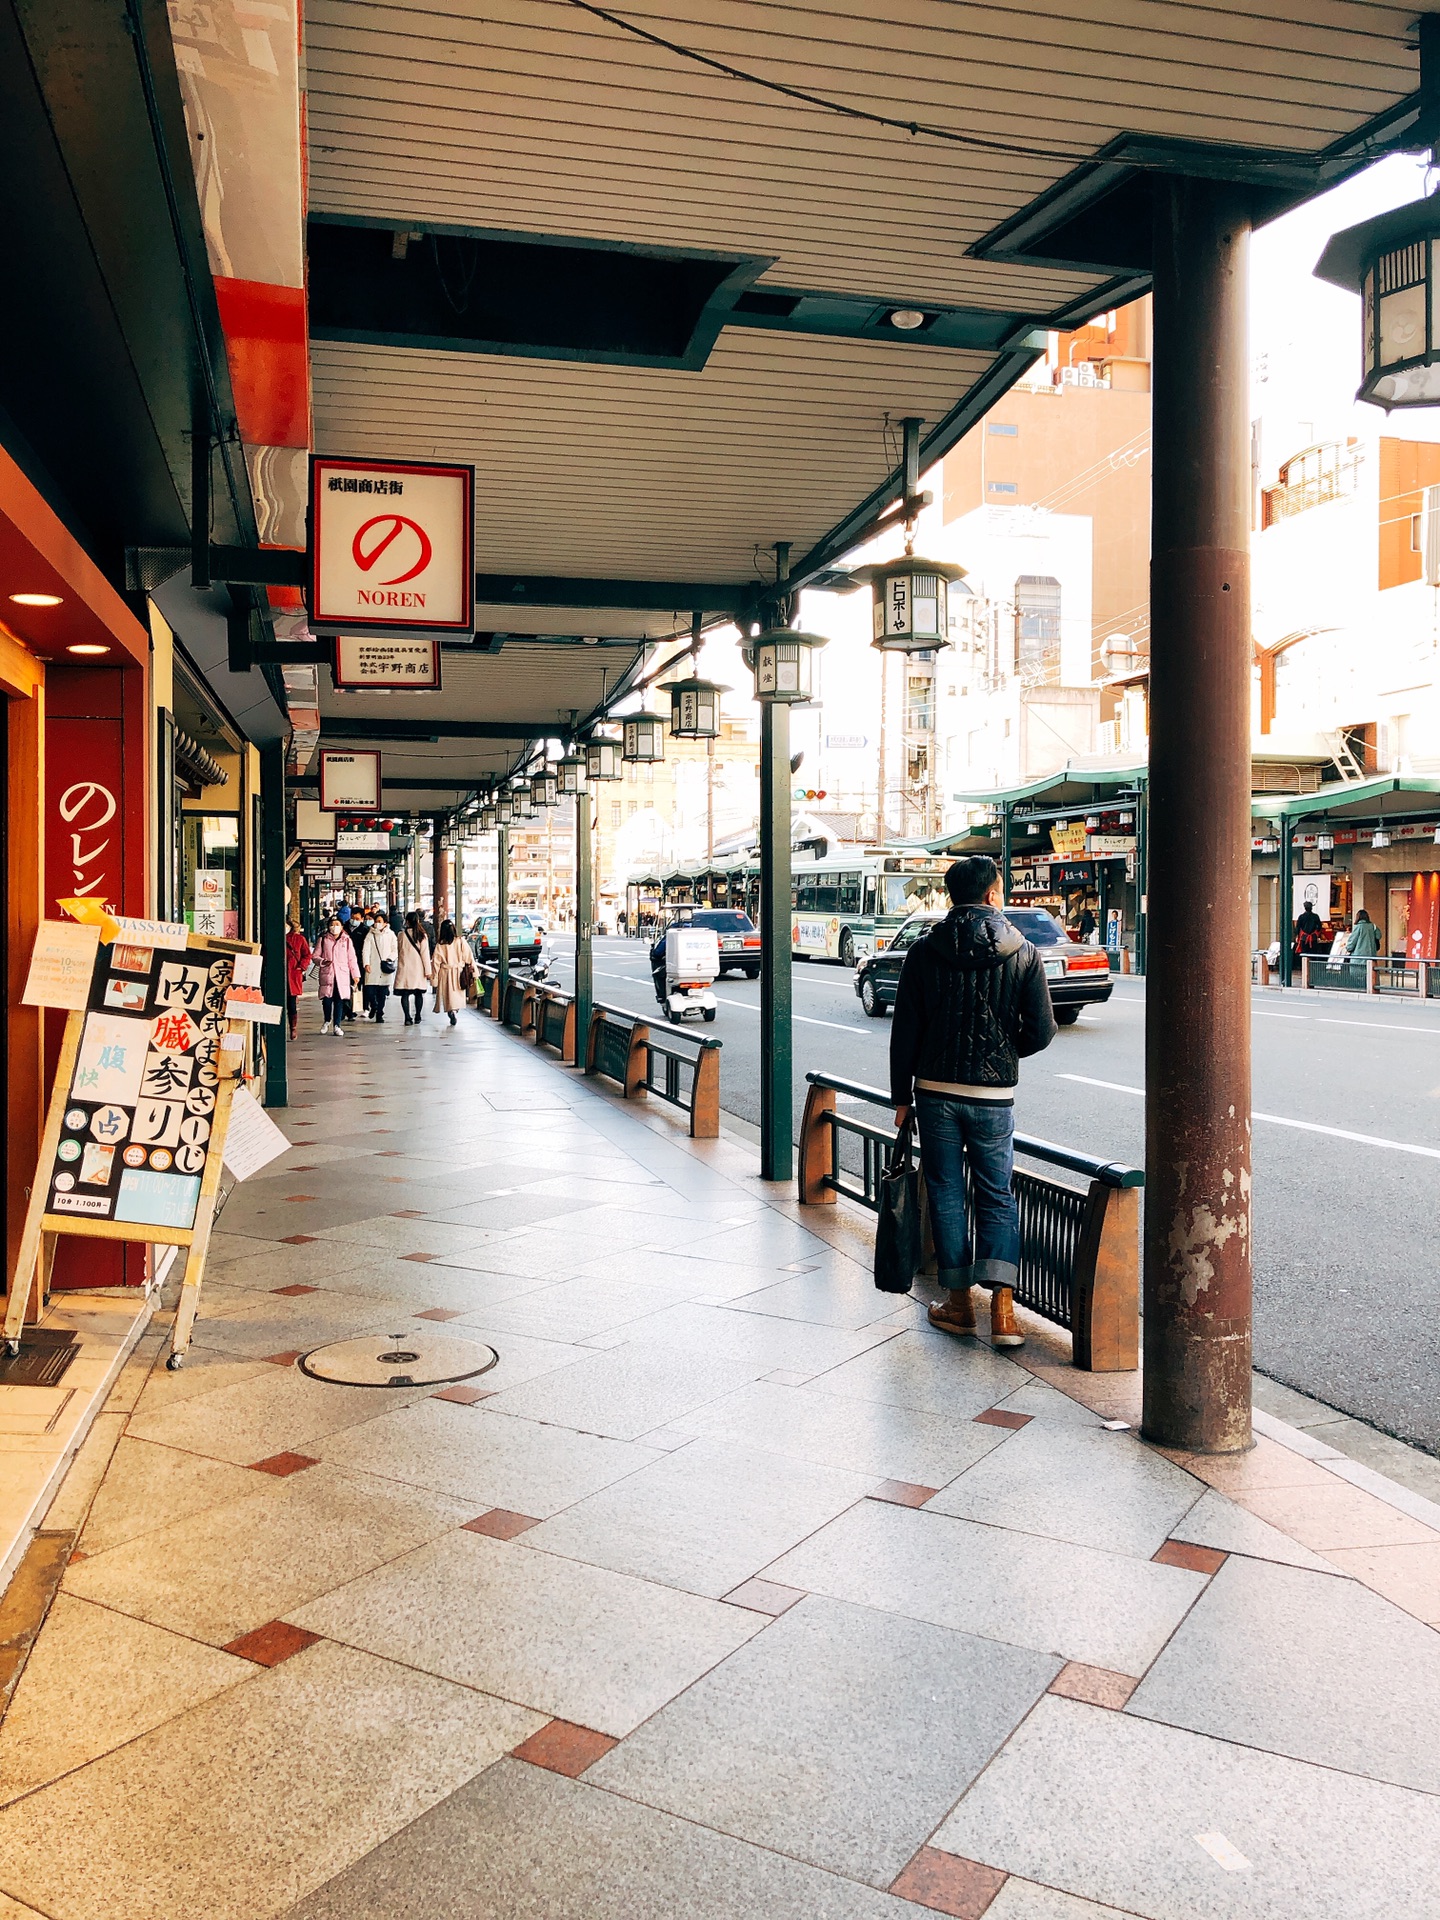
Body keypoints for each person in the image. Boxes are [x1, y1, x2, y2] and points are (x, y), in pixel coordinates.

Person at [890, 854, 1057, 1347]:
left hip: (935, 1092)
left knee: (945, 1190)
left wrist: (902, 1097)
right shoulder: (1024, 952)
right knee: (996, 1192)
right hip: (993, 1097)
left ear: (950, 895)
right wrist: (1003, 1053)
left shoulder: (924, 951)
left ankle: (959, 1305)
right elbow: (1043, 1031)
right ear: (991, 894)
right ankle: (1003, 1313)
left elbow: (906, 1033)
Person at [315, 915, 357, 1036]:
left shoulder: (347, 940)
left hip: (342, 975)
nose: (334, 927)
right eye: (332, 925)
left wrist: (355, 975)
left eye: (337, 925)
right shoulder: (323, 939)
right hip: (328, 974)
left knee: (339, 1001)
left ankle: (337, 1025)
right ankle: (327, 1020)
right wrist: (322, 961)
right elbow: (315, 956)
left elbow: (351, 958)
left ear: (342, 926)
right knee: (327, 1000)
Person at [431, 917, 473, 1026]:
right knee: (457, 992)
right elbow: (469, 957)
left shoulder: (440, 945)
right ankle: (455, 1009)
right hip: (459, 972)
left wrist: (434, 978)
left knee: (448, 994)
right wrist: (474, 971)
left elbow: (436, 962)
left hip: (445, 972)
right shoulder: (460, 941)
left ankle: (450, 1011)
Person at [361, 907, 399, 1021]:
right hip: (372, 967)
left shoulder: (391, 934)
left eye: (379, 922)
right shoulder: (370, 934)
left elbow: (395, 949)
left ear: (385, 923)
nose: (377, 924)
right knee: (370, 991)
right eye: (376, 921)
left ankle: (380, 1013)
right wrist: (366, 963)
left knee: (382, 993)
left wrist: (390, 959)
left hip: (384, 967)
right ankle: (374, 1006)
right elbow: (366, 950)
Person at [395, 910, 431, 1025]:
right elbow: (425, 955)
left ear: (407, 921)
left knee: (405, 994)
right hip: (418, 968)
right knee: (418, 993)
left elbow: (399, 951)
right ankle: (418, 1016)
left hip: (404, 967)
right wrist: (428, 971)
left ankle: (407, 1017)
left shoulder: (401, 935)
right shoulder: (422, 935)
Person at [284, 916, 312, 1040]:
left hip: (293, 975)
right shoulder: (273, 938)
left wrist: (301, 967)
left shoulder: (299, 939)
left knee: (291, 1004)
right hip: (278, 975)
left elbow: (307, 954)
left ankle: (293, 1027)